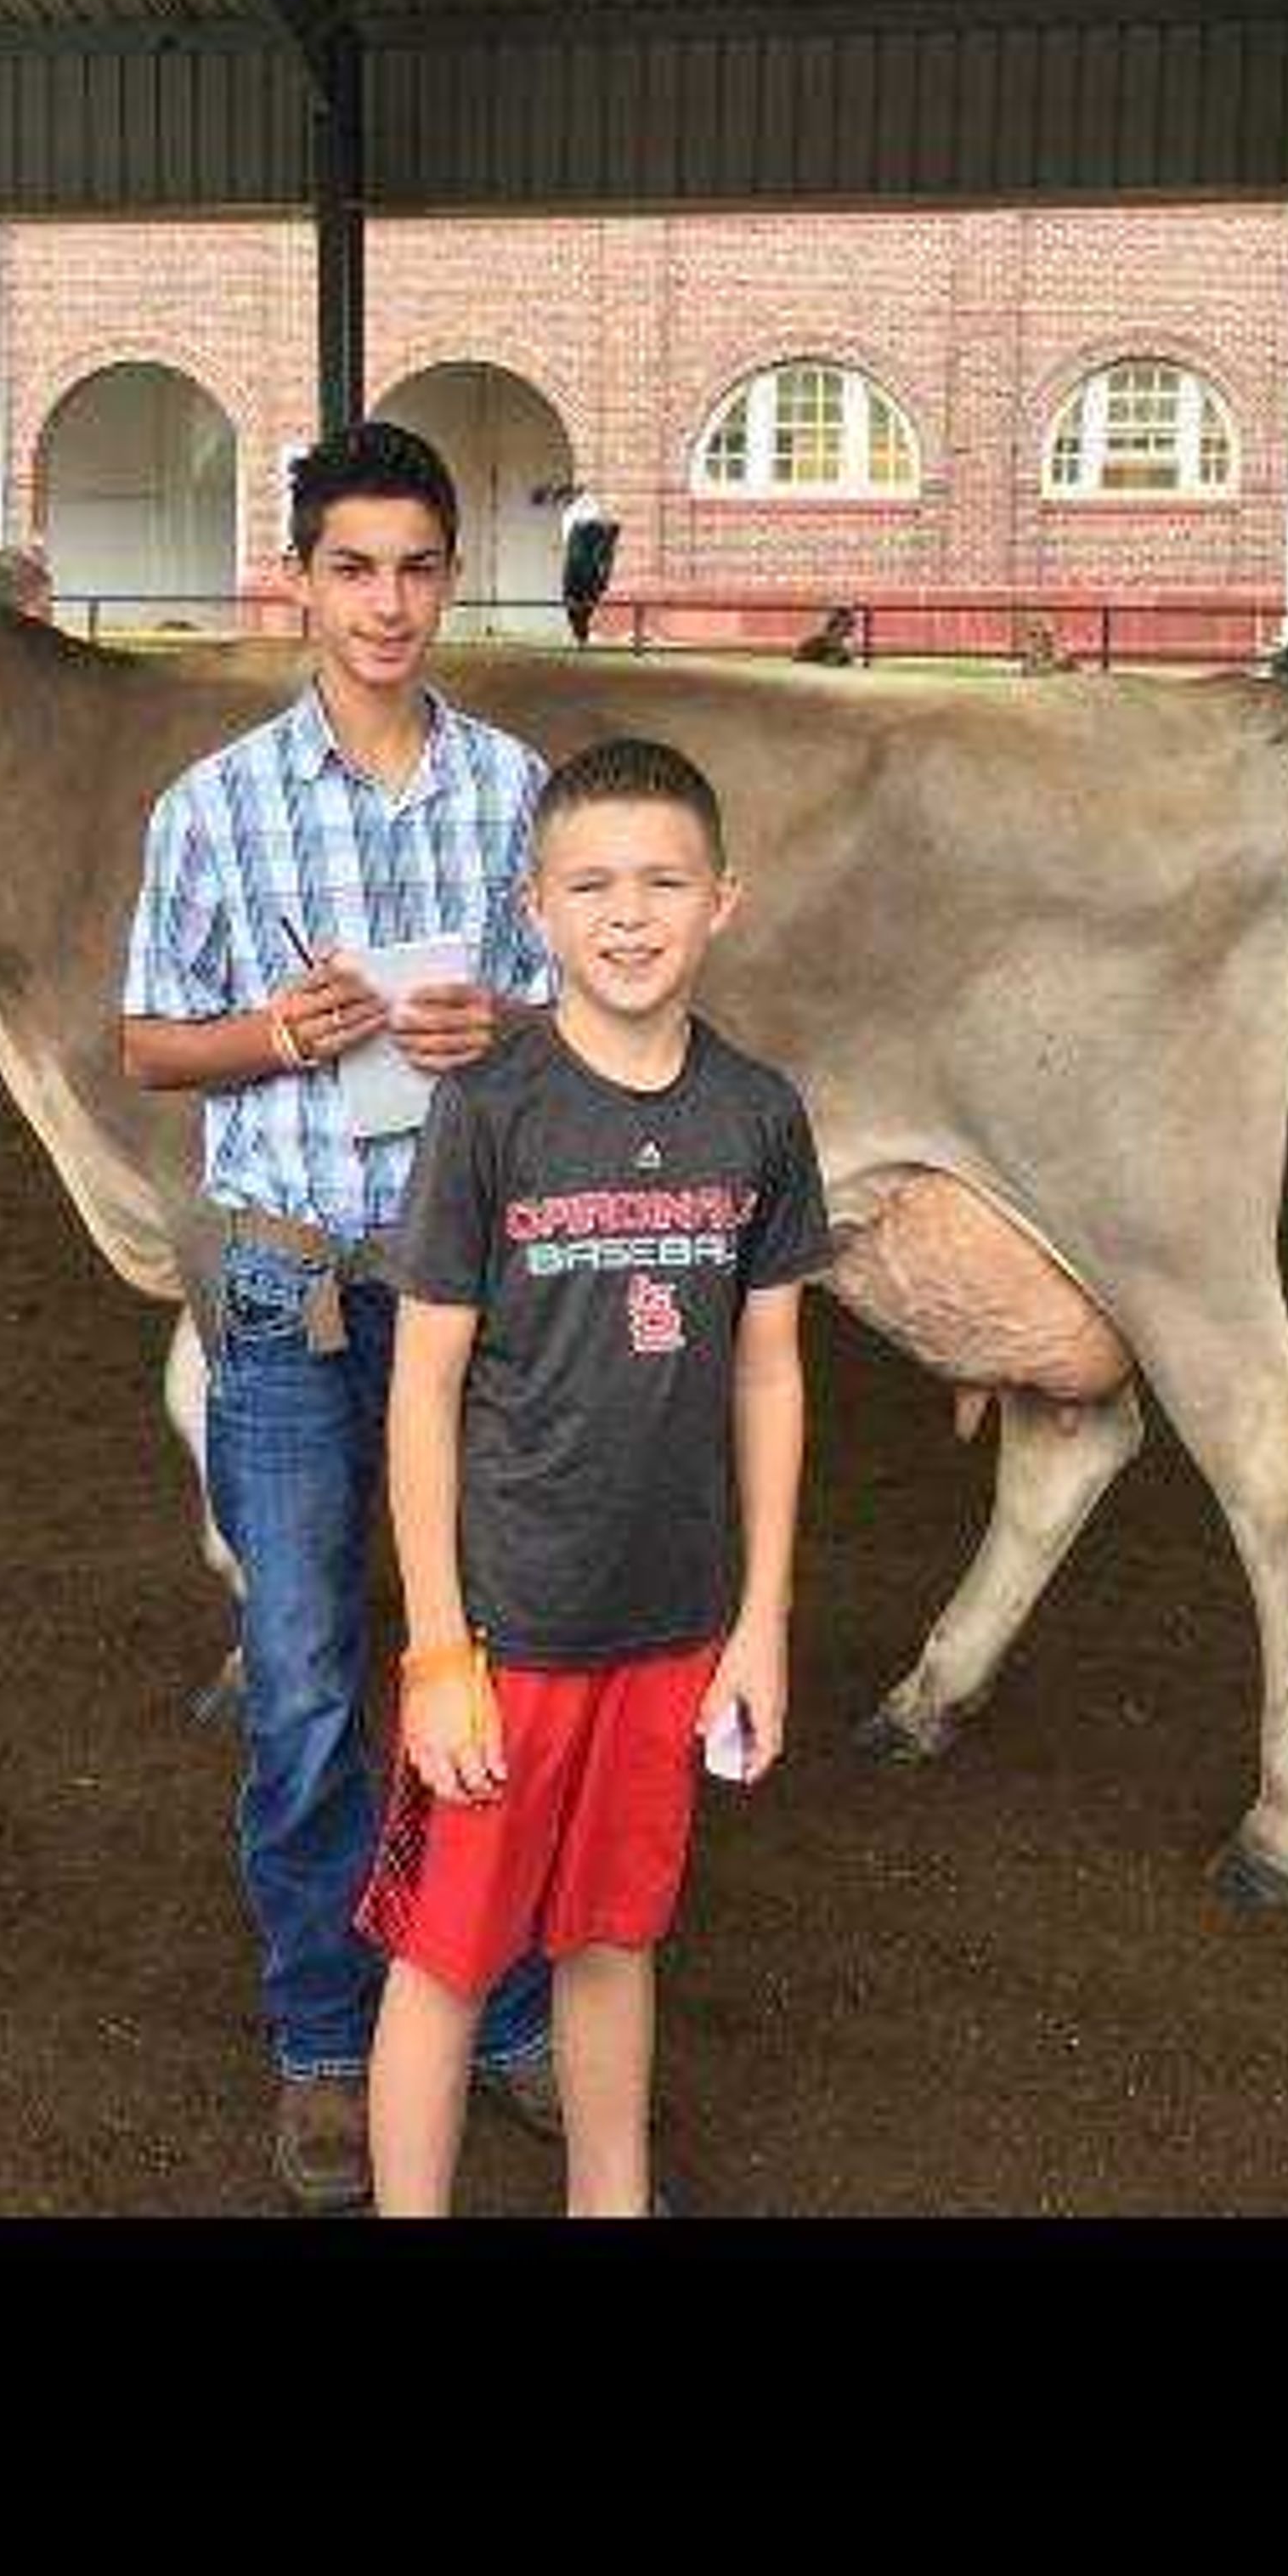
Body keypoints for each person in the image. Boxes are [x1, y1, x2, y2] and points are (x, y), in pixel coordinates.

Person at [119, 422, 562, 2211]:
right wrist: (275, 1038)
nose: (387, 603)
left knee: (491, 1661)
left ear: (452, 579)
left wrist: (499, 1035)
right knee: (305, 1672)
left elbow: (582, 1014)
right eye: (354, 567)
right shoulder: (212, 805)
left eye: (418, 567)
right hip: (286, 1270)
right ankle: (322, 2036)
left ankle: (504, 1996)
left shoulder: (518, 788)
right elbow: (149, 1040)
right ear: (297, 582)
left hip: (472, 1285)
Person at [361, 735, 828, 2222]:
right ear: (536, 910)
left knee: (614, 1941)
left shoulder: (758, 1113)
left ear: (723, 903)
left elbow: (769, 1371)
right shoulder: (491, 1110)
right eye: (591, 884)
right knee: (444, 1958)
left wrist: (759, 1620)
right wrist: (438, 1650)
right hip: (508, 1634)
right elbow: (424, 1386)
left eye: (663, 881)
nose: (628, 913)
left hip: (673, 1626)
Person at [559, 490, 621, 645]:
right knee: (583, 593)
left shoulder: (578, 514)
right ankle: (580, 632)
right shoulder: (574, 513)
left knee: (581, 593)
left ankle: (580, 632)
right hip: (582, 546)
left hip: (582, 544)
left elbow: (605, 556)